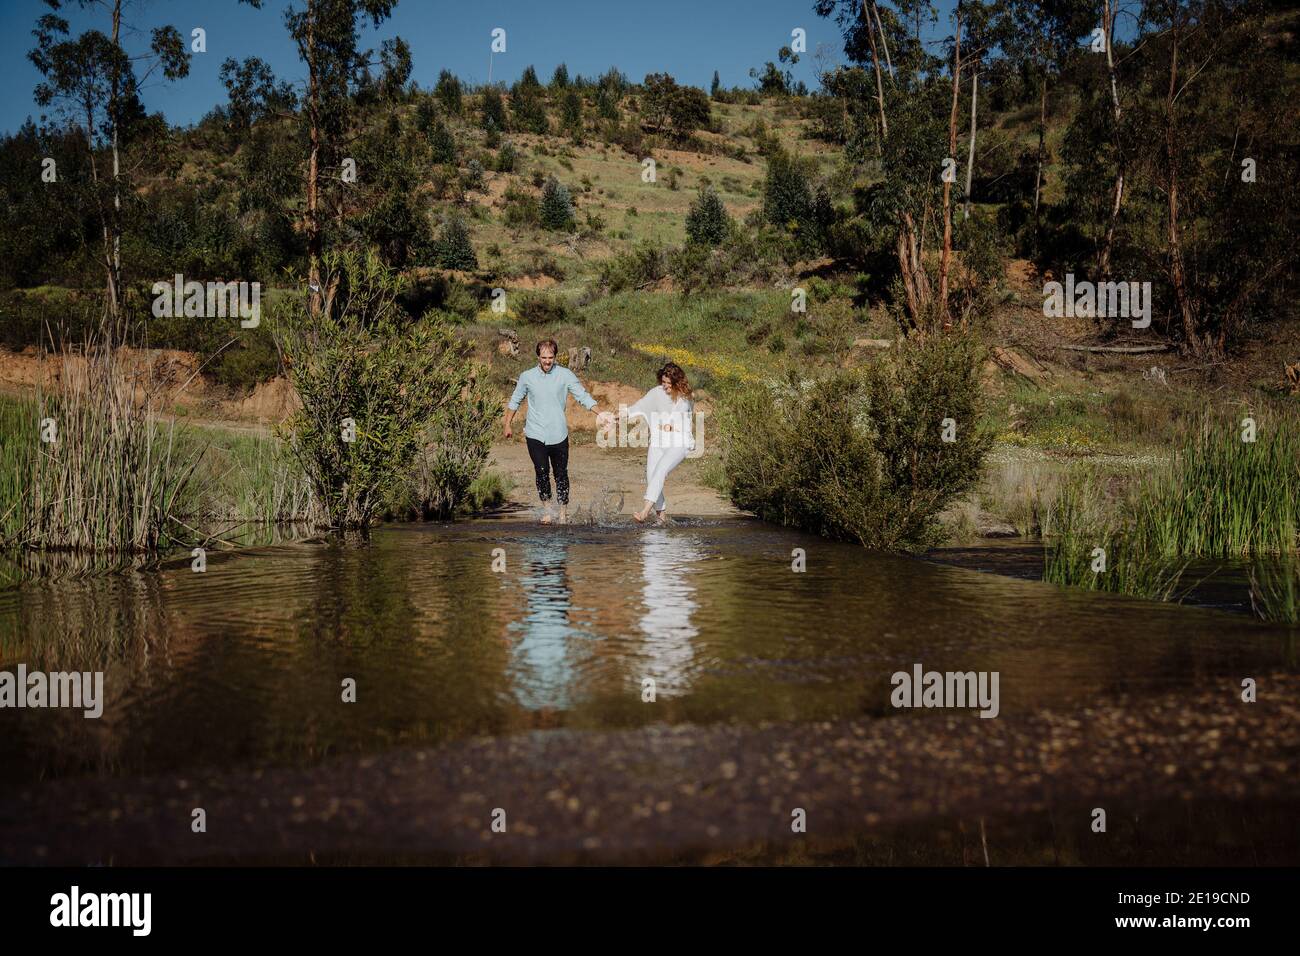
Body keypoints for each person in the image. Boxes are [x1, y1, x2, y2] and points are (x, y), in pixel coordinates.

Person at [504, 339, 614, 524]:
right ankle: (547, 509)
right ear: (538, 356)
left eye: (551, 357)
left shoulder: (565, 375)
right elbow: (515, 401)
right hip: (535, 433)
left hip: (558, 433)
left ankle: (562, 513)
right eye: (544, 357)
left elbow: (582, 396)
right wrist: (507, 424)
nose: (547, 361)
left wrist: (600, 413)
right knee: (541, 471)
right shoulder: (527, 377)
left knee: (561, 473)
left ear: (555, 356)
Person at [626, 362, 695, 525]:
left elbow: (679, 416)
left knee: (661, 470)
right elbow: (639, 406)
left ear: (677, 383)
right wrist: (617, 417)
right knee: (651, 476)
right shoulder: (657, 392)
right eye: (663, 382)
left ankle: (644, 512)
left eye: (668, 384)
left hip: (679, 442)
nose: (664, 387)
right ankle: (661, 517)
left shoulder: (686, 398)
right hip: (658, 440)